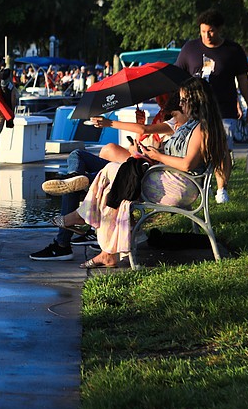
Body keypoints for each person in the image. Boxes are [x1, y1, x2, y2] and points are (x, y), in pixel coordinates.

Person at [54, 78, 228, 268]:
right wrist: (154, 153)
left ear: (196, 101)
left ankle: (85, 216)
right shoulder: (191, 126)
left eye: (184, 100)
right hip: (169, 178)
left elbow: (187, 164)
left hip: (179, 187)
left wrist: (157, 156)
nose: (181, 104)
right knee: (118, 181)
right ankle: (103, 246)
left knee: (115, 174)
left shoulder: (201, 128)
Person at [31, 95, 187, 261]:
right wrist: (140, 139)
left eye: (163, 98)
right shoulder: (175, 123)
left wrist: (108, 123)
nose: (159, 101)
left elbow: (148, 136)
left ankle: (63, 242)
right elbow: (145, 138)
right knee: (78, 157)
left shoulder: (179, 125)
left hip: (144, 172)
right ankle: (77, 179)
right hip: (139, 165)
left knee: (97, 168)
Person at [176, 9, 248, 204]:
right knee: (196, 152)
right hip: (194, 112)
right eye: (202, 31)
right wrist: (177, 107)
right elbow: (177, 77)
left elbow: (243, 81)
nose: (206, 36)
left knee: (222, 149)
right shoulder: (189, 49)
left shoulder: (233, 50)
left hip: (224, 109)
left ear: (219, 29)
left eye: (210, 31)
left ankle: (221, 189)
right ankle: (201, 186)